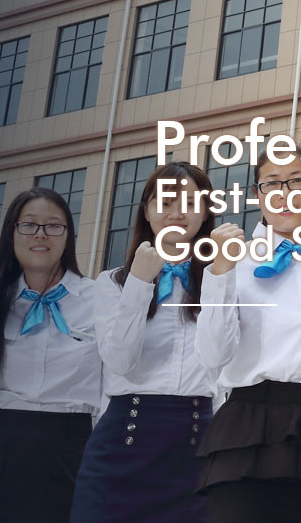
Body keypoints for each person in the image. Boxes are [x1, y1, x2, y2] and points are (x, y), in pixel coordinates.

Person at [196, 144, 301, 522]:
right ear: (257, 193)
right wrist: (220, 271)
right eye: (272, 183)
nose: (285, 194)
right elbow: (213, 354)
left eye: (297, 181)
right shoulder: (236, 258)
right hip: (249, 428)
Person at [71, 162, 220, 522]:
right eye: (165, 202)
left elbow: (221, 359)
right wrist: (139, 282)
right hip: (124, 439)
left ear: (205, 212)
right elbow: (119, 361)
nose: (177, 213)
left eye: (190, 202)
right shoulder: (113, 282)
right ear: (147, 211)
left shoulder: (222, 279)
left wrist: (221, 276)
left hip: (197, 440)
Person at [0, 187, 103, 523]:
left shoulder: (98, 299)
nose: (40, 234)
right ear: (11, 234)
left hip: (68, 449)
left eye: (53, 225)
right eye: (29, 224)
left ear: (68, 235)